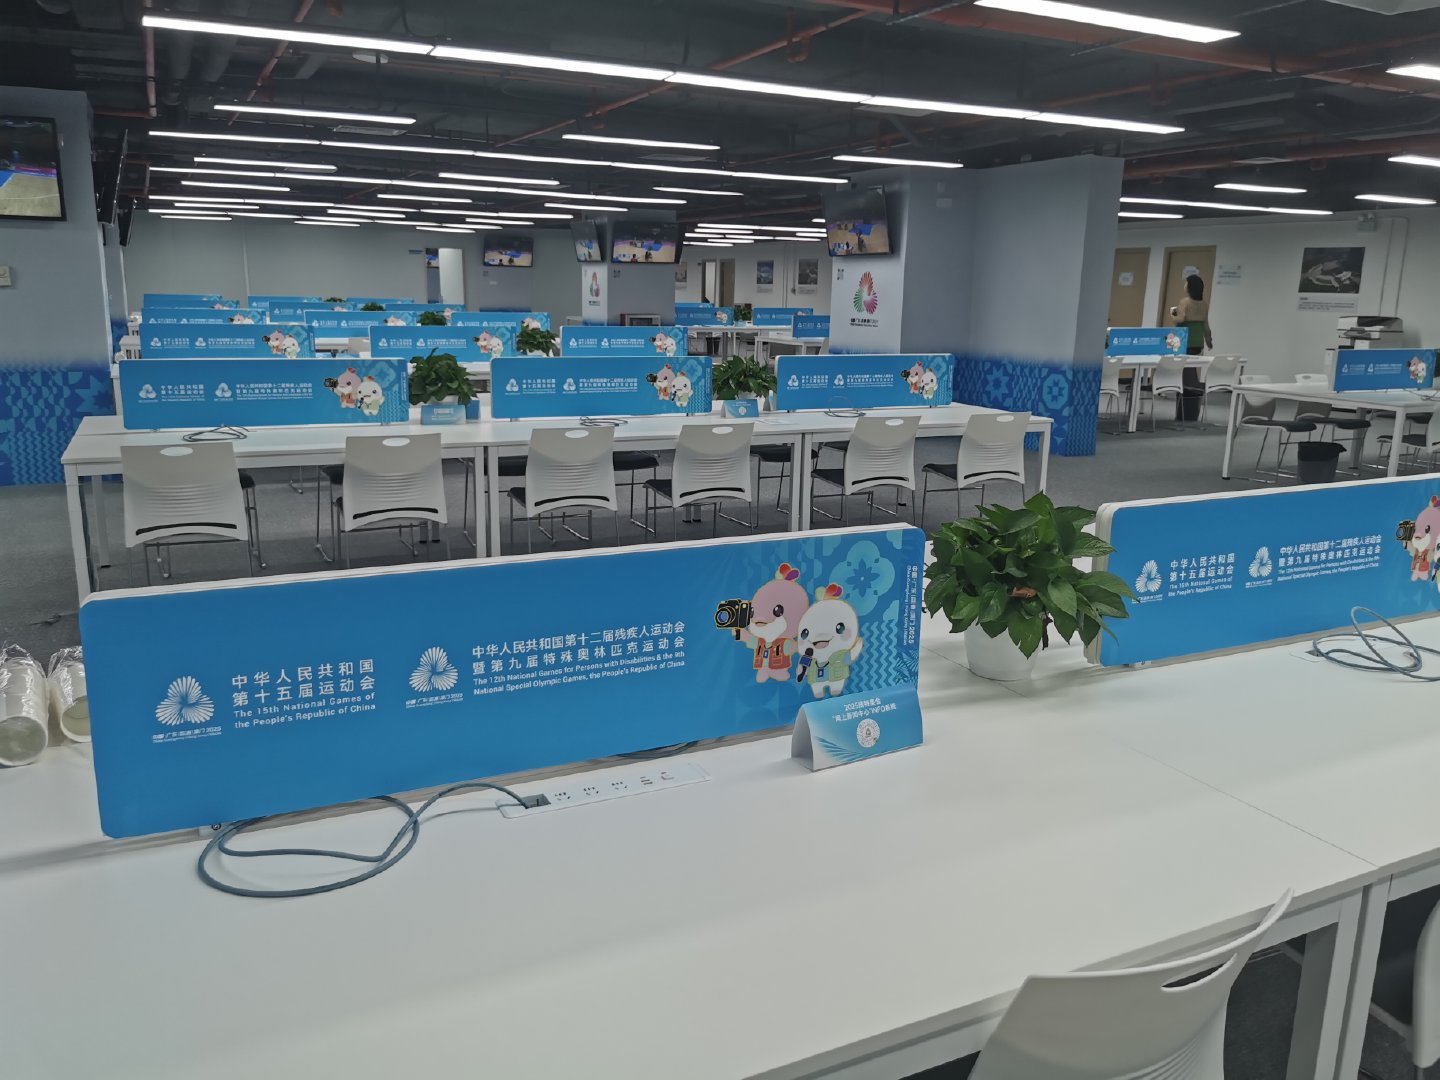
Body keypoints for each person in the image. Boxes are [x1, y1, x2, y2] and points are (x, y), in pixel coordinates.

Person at [1170, 274, 1213, 422]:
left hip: (1185, 340)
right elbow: (1206, 325)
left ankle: (1185, 403)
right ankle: (1191, 401)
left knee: (1184, 371)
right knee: (1191, 369)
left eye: (1186, 283)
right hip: (1197, 340)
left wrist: (1173, 313)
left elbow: (1179, 320)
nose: (1184, 285)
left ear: (1189, 286)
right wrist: (1209, 341)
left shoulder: (1185, 302)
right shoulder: (1204, 304)